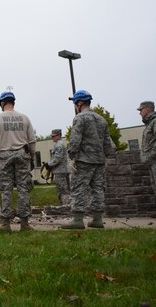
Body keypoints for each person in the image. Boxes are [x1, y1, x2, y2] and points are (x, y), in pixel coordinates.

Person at [62, 90, 114, 230]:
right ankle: (97, 219)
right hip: (99, 161)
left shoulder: (80, 118)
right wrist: (106, 156)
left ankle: (78, 220)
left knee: (78, 189)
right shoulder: (101, 119)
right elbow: (108, 143)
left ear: (79, 103)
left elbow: (75, 140)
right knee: (98, 189)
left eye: (75, 103)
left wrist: (72, 156)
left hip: (84, 160)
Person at [0, 91, 36, 232]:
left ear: (2, 104)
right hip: (22, 154)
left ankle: (5, 224)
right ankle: (25, 224)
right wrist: (32, 159)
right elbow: (32, 141)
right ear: (13, 102)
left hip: (4, 155)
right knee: (23, 189)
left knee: (6, 190)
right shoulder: (25, 118)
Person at [45, 129, 71, 206]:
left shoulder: (59, 145)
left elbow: (57, 158)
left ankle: (66, 206)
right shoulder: (60, 144)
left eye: (54, 136)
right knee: (66, 189)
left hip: (60, 171)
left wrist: (49, 164)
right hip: (62, 170)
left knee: (63, 190)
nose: (52, 138)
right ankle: (68, 205)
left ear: (59, 135)